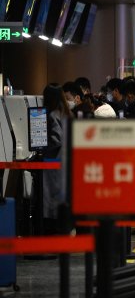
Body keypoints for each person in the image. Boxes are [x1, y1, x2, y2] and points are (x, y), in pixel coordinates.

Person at [42, 84, 72, 233]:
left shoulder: (53, 115)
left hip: (55, 161)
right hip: (66, 161)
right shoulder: (66, 113)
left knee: (51, 198)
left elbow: (56, 139)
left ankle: (52, 232)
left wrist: (43, 147)